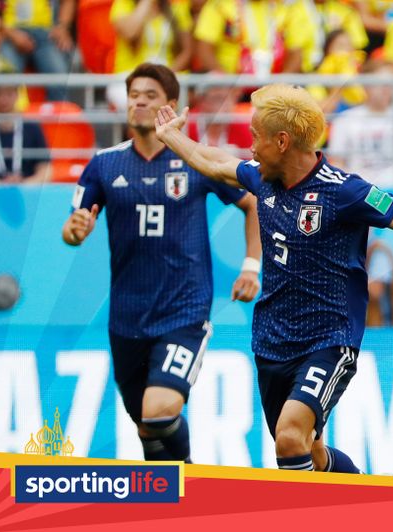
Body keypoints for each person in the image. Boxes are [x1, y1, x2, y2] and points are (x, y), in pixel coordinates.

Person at [154, 83, 393, 473]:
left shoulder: (346, 193)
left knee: (290, 435)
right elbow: (211, 160)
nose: (250, 147)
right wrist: (171, 136)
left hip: (329, 340)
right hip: (272, 342)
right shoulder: (261, 180)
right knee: (308, 451)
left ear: (282, 141)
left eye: (256, 137)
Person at [61, 63, 262, 463]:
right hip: (127, 319)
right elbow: (71, 231)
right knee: (146, 427)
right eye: (133, 94)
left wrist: (251, 266)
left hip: (184, 312)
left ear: (171, 105)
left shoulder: (196, 160)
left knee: (159, 409)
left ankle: (193, 483)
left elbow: (252, 202)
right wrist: (77, 228)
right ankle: (171, 498)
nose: (138, 101)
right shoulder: (103, 164)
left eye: (149, 95)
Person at [327, 60, 393, 187]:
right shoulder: (345, 120)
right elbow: (337, 164)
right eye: (379, 83)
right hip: (357, 195)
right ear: (365, 85)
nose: (386, 89)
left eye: (390, 83)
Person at [0, 79, 50, 183]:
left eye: (9, 94)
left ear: (17, 95)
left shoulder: (32, 128)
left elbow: (46, 170)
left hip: (26, 194)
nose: (3, 100)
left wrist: (25, 186)